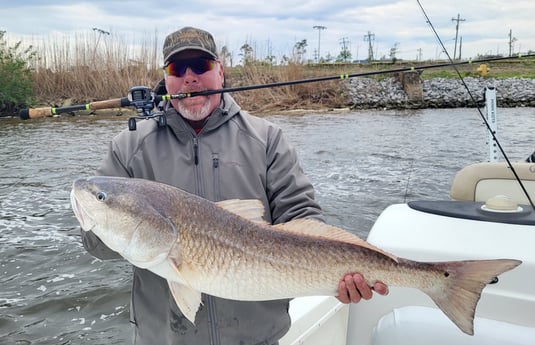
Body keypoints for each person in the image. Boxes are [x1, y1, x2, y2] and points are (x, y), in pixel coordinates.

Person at [81, 26, 388, 345]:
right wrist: (99, 220)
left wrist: (341, 272)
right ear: (166, 78)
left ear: (221, 71)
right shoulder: (128, 146)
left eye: (201, 66)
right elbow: (95, 246)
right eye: (177, 69)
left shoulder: (267, 139)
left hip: (255, 337)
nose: (190, 78)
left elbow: (302, 216)